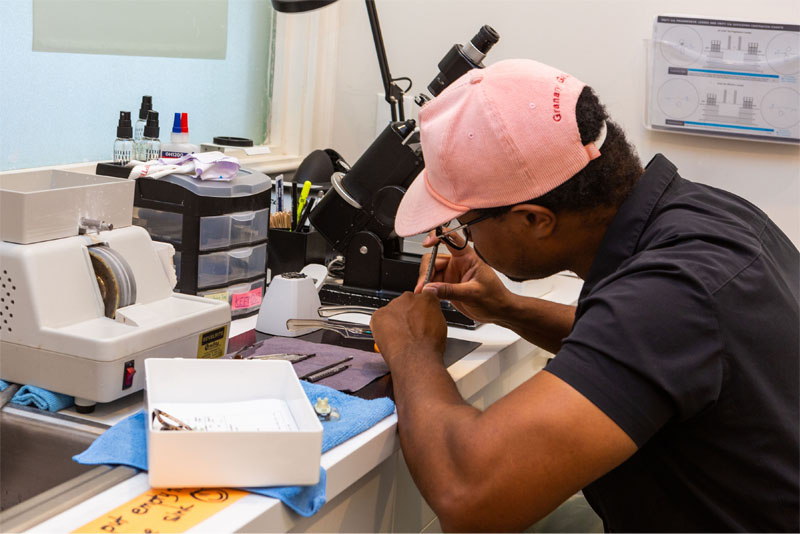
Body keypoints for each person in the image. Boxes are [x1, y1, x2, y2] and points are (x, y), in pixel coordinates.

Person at [369, 58, 799, 532]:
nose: (460, 237)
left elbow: (469, 492)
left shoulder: (674, 297)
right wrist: (509, 309)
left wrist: (412, 348)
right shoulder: (703, 216)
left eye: (464, 224)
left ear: (534, 220)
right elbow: (645, 357)